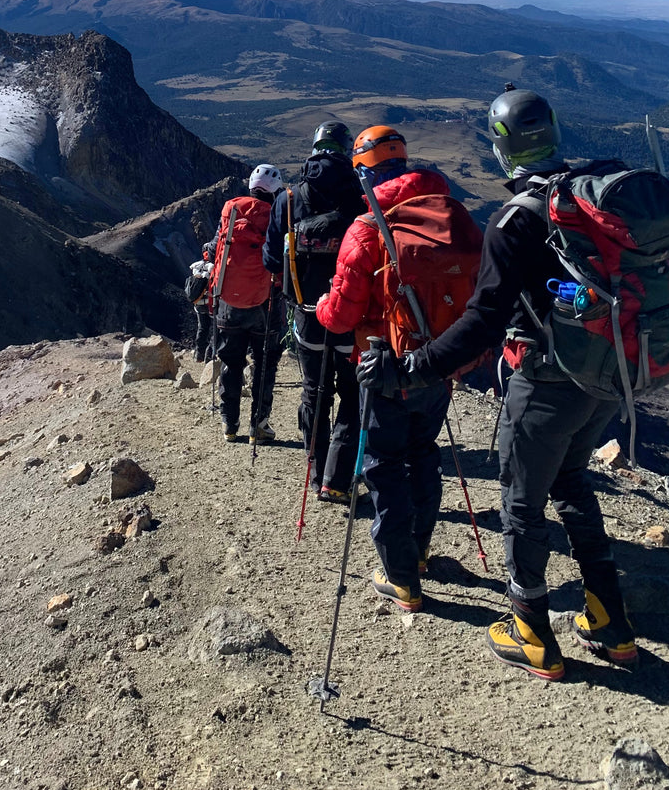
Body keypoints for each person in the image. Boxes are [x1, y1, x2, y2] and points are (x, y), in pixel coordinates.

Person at [358, 87, 636, 680]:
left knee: (522, 500)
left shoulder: (517, 221)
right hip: (611, 373)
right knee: (571, 480)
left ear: (501, 147)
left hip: (548, 379)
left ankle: (531, 629)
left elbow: (484, 322)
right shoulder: (589, 198)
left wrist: (412, 366)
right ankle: (608, 617)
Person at [316, 127, 466, 612]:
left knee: (383, 467)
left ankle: (401, 578)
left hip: (384, 368)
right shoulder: (451, 215)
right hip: (441, 362)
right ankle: (420, 551)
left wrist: (320, 307)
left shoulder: (368, 228)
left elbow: (339, 315)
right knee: (424, 454)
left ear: (364, 171)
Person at [263, 121, 365, 502]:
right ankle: (337, 480)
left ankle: (316, 471)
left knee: (314, 393)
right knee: (352, 395)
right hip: (351, 316)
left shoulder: (288, 198)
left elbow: (272, 259)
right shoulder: (359, 194)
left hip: (306, 314)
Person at [210, 164, 286, 443]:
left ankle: (230, 424)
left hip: (228, 300)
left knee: (231, 362)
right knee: (265, 363)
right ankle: (259, 426)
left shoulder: (231, 210)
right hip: (266, 302)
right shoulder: (278, 214)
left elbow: (215, 246)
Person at [186, 242, 216, 362]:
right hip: (211, 303)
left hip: (198, 304)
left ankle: (199, 354)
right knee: (217, 329)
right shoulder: (213, 267)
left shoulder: (196, 266)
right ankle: (210, 354)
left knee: (202, 329)